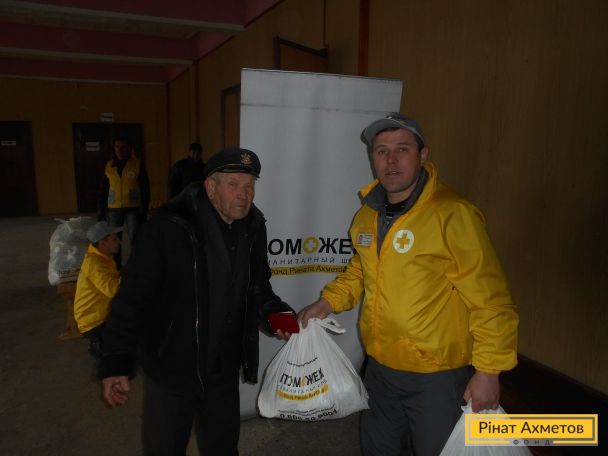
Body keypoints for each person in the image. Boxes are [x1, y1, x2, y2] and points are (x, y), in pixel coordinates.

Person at [297, 113, 519, 456]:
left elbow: (490, 299)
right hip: (380, 369)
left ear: (423, 154)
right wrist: (327, 302)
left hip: (437, 376)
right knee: (378, 449)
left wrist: (489, 370)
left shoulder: (452, 214)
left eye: (402, 149)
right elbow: (360, 271)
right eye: (381, 151)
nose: (391, 160)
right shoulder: (367, 216)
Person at [98, 147, 293, 455]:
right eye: (233, 185)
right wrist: (116, 362)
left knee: (223, 448)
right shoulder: (168, 227)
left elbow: (257, 286)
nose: (244, 195)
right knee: (165, 449)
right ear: (210, 187)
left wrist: (273, 312)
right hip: (173, 366)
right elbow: (133, 298)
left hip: (223, 366)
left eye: (249, 185)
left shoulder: (254, 226)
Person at [73, 221, 122, 359]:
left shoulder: (103, 257)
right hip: (93, 321)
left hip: (98, 313)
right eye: (114, 239)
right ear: (103, 243)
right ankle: (99, 346)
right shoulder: (95, 264)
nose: (119, 242)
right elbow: (114, 291)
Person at [97, 137, 150, 252]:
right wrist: (101, 209)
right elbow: (104, 189)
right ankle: (116, 263)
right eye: (117, 147)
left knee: (136, 239)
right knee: (114, 240)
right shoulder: (109, 165)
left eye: (123, 147)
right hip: (114, 209)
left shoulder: (137, 164)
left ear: (128, 149)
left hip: (133, 209)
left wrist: (144, 209)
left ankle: (136, 262)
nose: (119, 150)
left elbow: (145, 188)